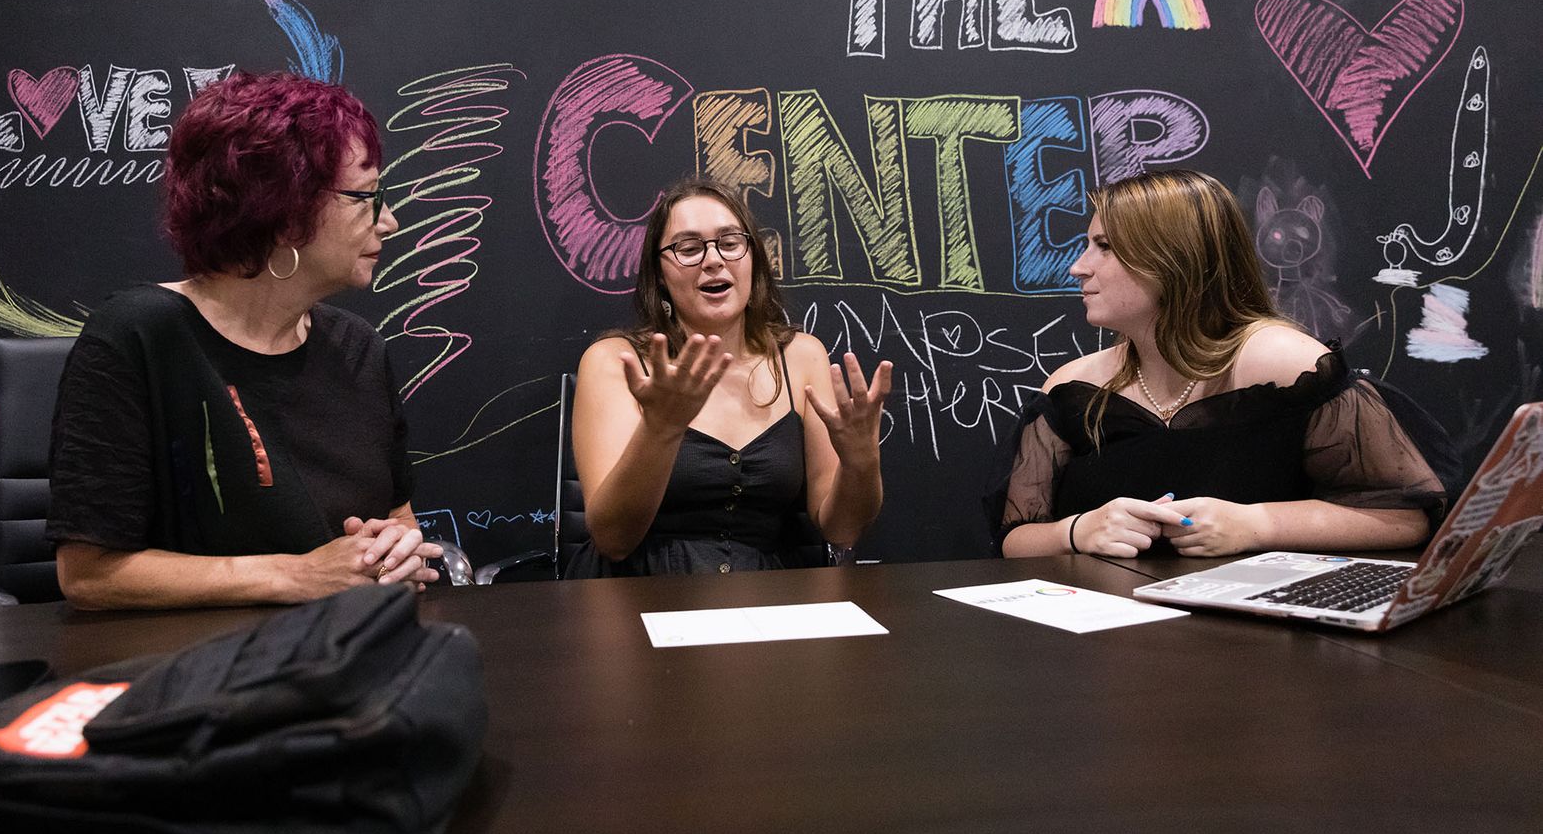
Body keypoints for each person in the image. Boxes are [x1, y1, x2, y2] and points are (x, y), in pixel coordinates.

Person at [47, 71, 442, 608]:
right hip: (190, 670)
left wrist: (398, 550)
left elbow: (396, 514)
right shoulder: (140, 335)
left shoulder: (358, 347)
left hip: (344, 653)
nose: (389, 222)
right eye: (365, 197)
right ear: (284, 210)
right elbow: (89, 575)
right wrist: (293, 576)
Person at [986, 168, 1446, 559]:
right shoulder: (1073, 387)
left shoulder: (1289, 366)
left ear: (1172, 259)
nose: (1079, 267)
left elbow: (1402, 516)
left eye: (1104, 246)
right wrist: (1077, 531)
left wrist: (1257, 524)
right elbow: (1016, 537)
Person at [567, 176, 892, 577]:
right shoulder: (616, 362)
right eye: (688, 249)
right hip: (639, 592)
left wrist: (862, 462)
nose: (714, 259)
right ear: (660, 276)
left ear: (753, 258)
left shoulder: (803, 357)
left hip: (771, 600)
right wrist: (661, 428)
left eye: (730, 242)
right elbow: (613, 540)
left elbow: (841, 530)